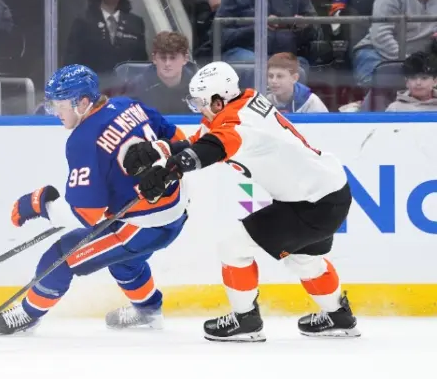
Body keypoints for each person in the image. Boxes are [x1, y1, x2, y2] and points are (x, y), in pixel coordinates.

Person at [121, 61, 360, 342]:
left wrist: (171, 170)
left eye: (200, 102)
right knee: (305, 260)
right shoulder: (241, 101)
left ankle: (245, 321)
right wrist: (159, 150)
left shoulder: (240, 123)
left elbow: (213, 147)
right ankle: (338, 317)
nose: (197, 107)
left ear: (219, 100)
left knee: (233, 247)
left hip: (311, 202)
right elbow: (201, 140)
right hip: (326, 192)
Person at [0, 64, 190, 336]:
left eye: (60, 104)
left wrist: (38, 205)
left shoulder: (83, 139)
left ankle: (27, 315)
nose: (56, 112)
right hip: (177, 209)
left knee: (61, 256)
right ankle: (148, 311)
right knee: (124, 260)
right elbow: (180, 140)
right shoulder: (128, 105)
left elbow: (86, 215)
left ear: (83, 102)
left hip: (141, 226)